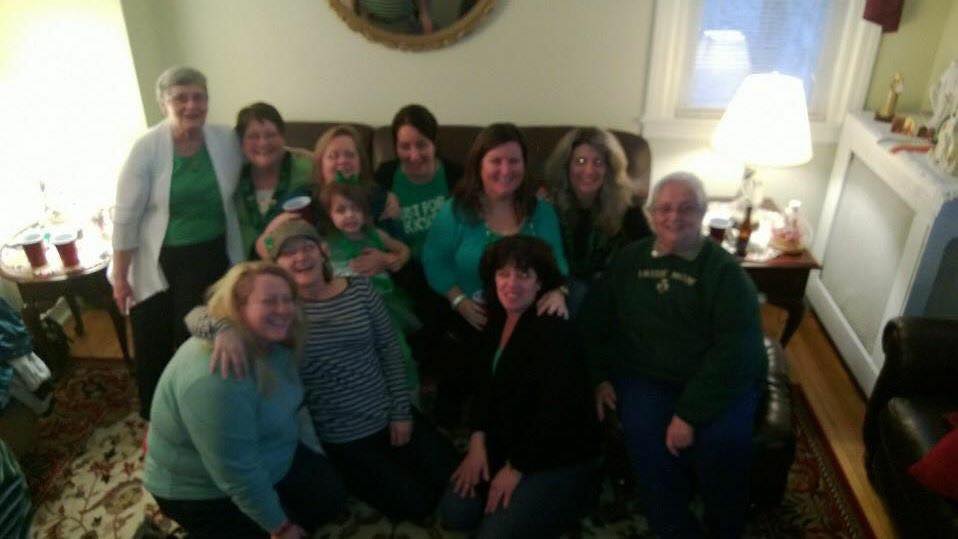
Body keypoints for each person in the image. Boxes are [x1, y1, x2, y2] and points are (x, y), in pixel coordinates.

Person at [189, 220, 458, 524]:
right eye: (289, 253)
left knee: (453, 474)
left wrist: (400, 412)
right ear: (277, 266)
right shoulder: (281, 313)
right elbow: (195, 315)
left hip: (388, 413)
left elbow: (389, 350)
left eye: (307, 247)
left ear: (323, 251)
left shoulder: (360, 289)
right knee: (417, 504)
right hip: (343, 437)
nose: (301, 257)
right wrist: (222, 329)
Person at [580, 172, 768, 539]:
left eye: (686, 208)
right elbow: (594, 321)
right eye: (664, 208)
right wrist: (598, 376)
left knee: (724, 445)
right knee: (647, 440)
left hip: (716, 380)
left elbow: (737, 351)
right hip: (646, 376)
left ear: (703, 213)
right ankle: (674, 528)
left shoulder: (725, 273)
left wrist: (688, 414)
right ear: (650, 214)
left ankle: (725, 527)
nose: (674, 217)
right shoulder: (630, 260)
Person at [144, 261, 346, 538]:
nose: (284, 310)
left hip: (268, 452)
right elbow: (237, 473)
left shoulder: (275, 341)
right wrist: (280, 527)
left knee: (330, 501)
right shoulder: (217, 377)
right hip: (203, 490)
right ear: (237, 308)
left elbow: (296, 409)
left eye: (288, 299)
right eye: (269, 301)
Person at [439, 235, 600, 538]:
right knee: (456, 513)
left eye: (523, 275)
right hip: (506, 439)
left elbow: (554, 414)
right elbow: (482, 387)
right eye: (504, 274)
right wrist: (477, 440)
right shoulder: (494, 316)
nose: (511, 284)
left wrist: (516, 468)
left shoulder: (554, 328)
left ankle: (568, 501)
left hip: (554, 452)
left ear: (540, 283)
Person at [111, 66, 244, 420]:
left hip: (212, 253)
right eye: (180, 98)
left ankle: (195, 407)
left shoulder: (225, 139)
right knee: (150, 335)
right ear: (163, 103)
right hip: (157, 257)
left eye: (199, 97)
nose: (191, 105)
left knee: (196, 337)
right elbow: (125, 215)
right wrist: (121, 276)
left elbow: (266, 152)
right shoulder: (147, 148)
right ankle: (155, 415)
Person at [421, 122, 569, 426]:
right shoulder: (456, 210)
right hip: (471, 314)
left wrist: (558, 291)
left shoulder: (541, 212)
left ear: (525, 165)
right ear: (479, 165)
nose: (505, 170)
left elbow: (558, 265)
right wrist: (458, 300)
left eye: (514, 161)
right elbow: (434, 260)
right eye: (496, 161)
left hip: (526, 317)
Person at [374, 104, 463, 407]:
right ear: (395, 146)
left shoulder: (455, 175)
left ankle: (439, 388)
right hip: (404, 266)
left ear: (434, 142)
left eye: (421, 144)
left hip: (449, 264)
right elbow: (363, 220)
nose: (413, 155)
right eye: (404, 146)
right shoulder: (386, 176)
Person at [318, 181, 420, 395]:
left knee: (398, 351)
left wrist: (395, 259)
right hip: (346, 312)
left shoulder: (376, 235)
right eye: (341, 210)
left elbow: (403, 249)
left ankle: (408, 394)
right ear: (330, 214)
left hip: (384, 306)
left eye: (356, 209)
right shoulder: (326, 245)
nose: (350, 215)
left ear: (366, 212)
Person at [543, 127, 651, 315]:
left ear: (610, 168)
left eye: (598, 162)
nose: (589, 170)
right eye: (580, 161)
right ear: (566, 165)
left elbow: (649, 255)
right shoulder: (548, 207)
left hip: (612, 295)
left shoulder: (629, 209)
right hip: (563, 293)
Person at [233, 102, 313, 259]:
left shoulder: (308, 168)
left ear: (283, 137)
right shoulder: (232, 176)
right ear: (241, 142)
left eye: (270, 135)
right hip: (245, 266)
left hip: (298, 263)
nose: (263, 143)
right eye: (253, 136)